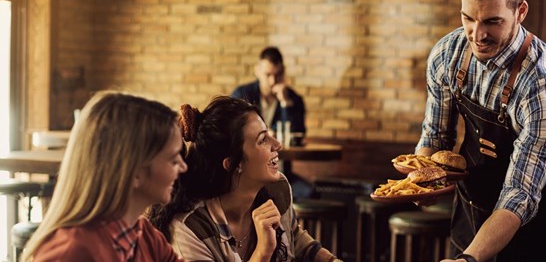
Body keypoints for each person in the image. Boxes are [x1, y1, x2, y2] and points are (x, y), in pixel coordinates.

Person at [416, 0, 546, 261]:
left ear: (520, 11)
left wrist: (469, 259)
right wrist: (421, 184)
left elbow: (520, 194)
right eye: (468, 18)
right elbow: (435, 137)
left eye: (492, 21)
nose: (477, 34)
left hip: (521, 228)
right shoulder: (448, 54)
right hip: (468, 209)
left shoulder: (544, 83)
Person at [148, 96, 339, 262]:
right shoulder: (190, 230)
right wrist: (263, 251)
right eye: (263, 140)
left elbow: (294, 237)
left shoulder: (277, 188)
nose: (277, 145)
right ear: (233, 164)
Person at [22, 92, 188, 261]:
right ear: (135, 172)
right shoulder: (70, 253)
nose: (184, 167)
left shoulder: (144, 235)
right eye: (173, 160)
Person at [232, 46, 306, 137]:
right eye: (267, 75)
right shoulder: (242, 94)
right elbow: (234, 129)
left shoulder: (294, 99)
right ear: (257, 71)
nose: (273, 81)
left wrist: (285, 103)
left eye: (278, 75)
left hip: (281, 151)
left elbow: (297, 133)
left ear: (283, 72)